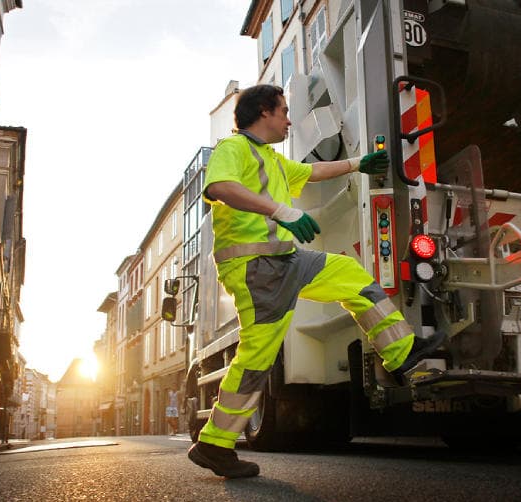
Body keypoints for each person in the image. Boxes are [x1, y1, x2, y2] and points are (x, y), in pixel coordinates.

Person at [187, 84, 447, 479]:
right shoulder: (233, 148)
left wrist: (359, 163)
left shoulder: (271, 160)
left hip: (285, 261)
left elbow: (312, 172)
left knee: (353, 277)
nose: (290, 120)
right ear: (263, 112)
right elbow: (221, 188)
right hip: (256, 268)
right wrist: (280, 211)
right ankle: (214, 444)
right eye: (284, 111)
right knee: (257, 356)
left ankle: (402, 356)